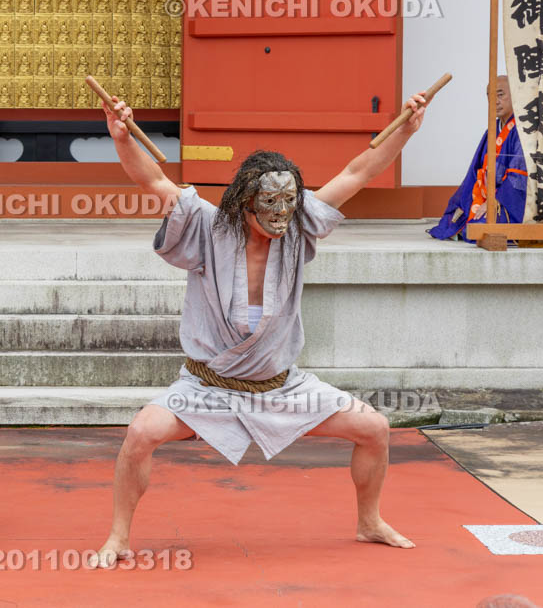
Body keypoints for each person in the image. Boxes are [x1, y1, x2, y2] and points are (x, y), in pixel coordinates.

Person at [94, 92, 428, 567]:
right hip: (207, 386)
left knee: (373, 427)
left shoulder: (299, 226)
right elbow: (152, 177)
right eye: (268, 203)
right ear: (243, 201)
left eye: (288, 202)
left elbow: (358, 171)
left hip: (281, 386)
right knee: (142, 431)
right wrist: (123, 137)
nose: (280, 213)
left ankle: (369, 521)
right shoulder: (206, 226)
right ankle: (118, 536)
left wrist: (405, 131)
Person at [429, 75, 527, 241]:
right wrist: (466, 201)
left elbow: (518, 178)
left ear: (515, 96)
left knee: (478, 227)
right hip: (485, 195)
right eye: (490, 96)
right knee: (451, 218)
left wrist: (494, 202)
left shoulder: (522, 131)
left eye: (500, 94)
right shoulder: (492, 130)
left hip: (509, 201)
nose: (495, 101)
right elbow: (475, 172)